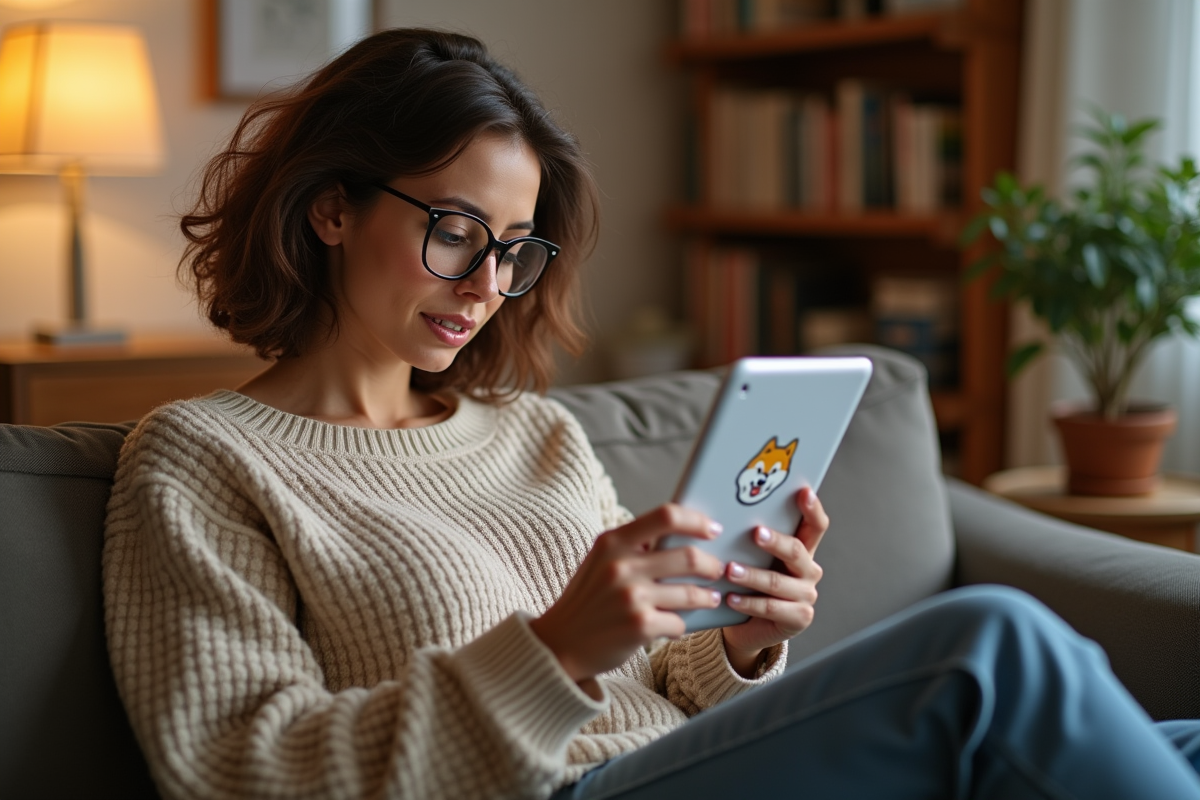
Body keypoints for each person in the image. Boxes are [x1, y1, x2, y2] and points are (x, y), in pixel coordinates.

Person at [102, 28, 1200, 800]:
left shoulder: (537, 434)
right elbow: (241, 769)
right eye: (452, 227)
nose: (486, 281)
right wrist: (553, 651)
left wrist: (747, 641)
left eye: (514, 248)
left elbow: (670, 679)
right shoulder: (204, 457)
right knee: (990, 645)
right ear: (330, 206)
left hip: (688, 763)